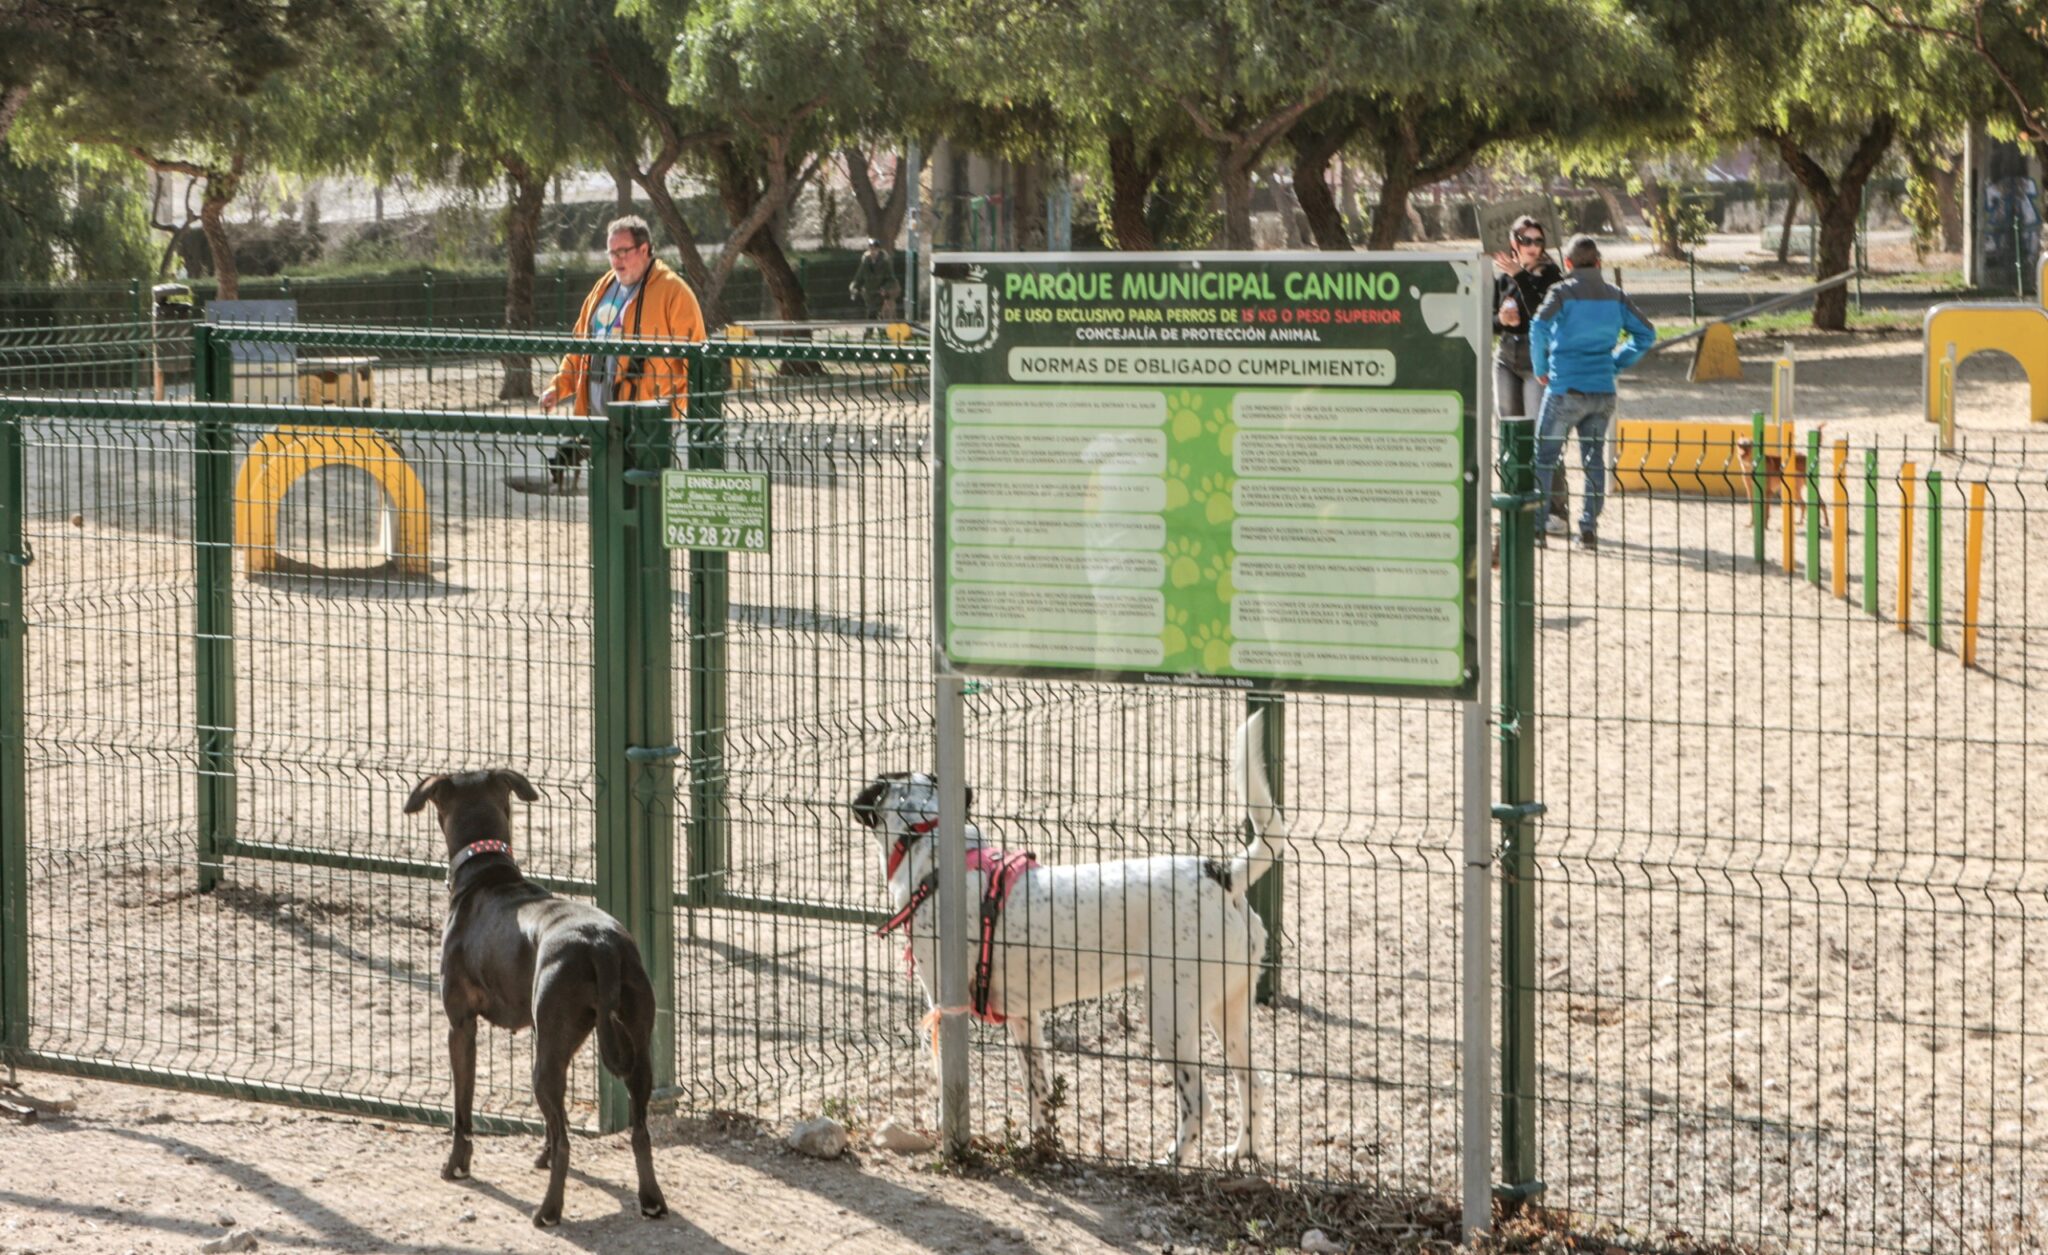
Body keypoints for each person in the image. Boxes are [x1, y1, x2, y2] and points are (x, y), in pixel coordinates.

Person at [1529, 235, 1656, 551]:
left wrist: (1541, 366)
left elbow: (1538, 327)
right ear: (1599, 263)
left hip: (1565, 388)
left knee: (1544, 457)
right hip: (1602, 390)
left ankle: (1538, 528)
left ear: (1568, 263)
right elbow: (1646, 334)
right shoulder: (1616, 296)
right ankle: (1588, 530)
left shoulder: (1562, 292)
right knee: (1593, 460)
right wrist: (1617, 362)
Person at [541, 214, 705, 417]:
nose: (616, 259)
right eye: (611, 252)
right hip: (593, 421)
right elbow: (579, 349)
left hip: (649, 425)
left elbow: (697, 364)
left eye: (622, 251)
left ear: (644, 249)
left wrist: (671, 411)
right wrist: (558, 388)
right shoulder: (602, 288)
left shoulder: (674, 292)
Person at [1490, 215, 1568, 562]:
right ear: (1514, 243)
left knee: (1541, 435)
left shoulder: (1551, 277)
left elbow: (1542, 311)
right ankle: (1515, 500)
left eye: (1538, 241)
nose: (1534, 247)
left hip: (1538, 361)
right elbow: (1492, 320)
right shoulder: (1503, 278)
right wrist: (1502, 319)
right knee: (1510, 431)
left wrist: (1520, 275)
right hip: (1507, 356)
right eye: (1527, 241)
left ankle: (1554, 508)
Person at [850, 237, 897, 326]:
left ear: (878, 250)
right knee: (872, 315)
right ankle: (874, 331)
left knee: (875, 314)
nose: (872, 251)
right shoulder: (865, 261)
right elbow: (859, 277)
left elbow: (891, 280)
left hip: (880, 294)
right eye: (871, 248)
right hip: (868, 294)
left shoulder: (885, 262)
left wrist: (885, 288)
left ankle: (873, 331)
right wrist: (854, 287)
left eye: (874, 249)